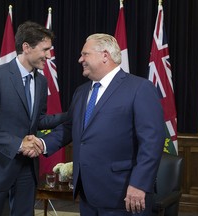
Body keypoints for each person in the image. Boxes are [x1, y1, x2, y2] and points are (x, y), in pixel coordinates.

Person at [35, 33, 165, 216]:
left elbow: (152, 143)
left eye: (85, 54)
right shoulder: (81, 92)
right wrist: (42, 144)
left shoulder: (139, 89)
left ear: (105, 55)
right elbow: (70, 128)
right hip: (87, 194)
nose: (80, 59)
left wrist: (139, 184)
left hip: (124, 193)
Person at [0, 21, 67, 216]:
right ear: (26, 47)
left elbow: (37, 120)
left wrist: (71, 115)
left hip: (26, 169)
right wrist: (19, 144)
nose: (48, 55)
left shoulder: (41, 80)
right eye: (45, 49)